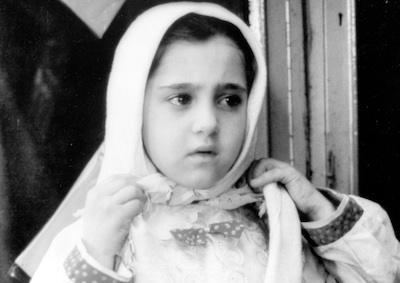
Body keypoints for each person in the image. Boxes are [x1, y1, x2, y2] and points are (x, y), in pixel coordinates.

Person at [30, 2, 400, 283]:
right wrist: (95, 255)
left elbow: (381, 275)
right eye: (181, 99)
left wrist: (318, 211)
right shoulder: (101, 238)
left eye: (229, 100)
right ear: (134, 108)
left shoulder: (277, 220)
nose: (207, 123)